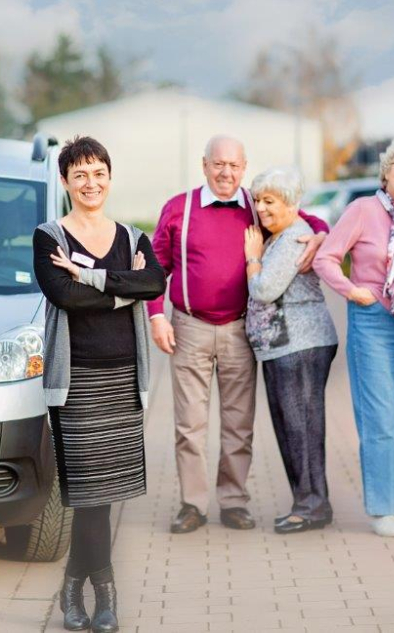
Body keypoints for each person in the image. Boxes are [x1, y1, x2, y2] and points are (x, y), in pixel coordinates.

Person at [149, 135, 329, 534]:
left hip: (240, 329)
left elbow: (301, 218)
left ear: (244, 167)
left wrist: (320, 232)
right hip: (189, 327)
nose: (226, 172)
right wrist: (156, 317)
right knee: (189, 424)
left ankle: (233, 501)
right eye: (218, 164)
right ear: (205, 165)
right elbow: (155, 267)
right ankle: (192, 505)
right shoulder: (179, 209)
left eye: (234, 165)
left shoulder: (255, 205)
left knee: (238, 423)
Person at [33, 136, 165, 632]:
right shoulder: (49, 237)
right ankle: (103, 592)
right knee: (88, 494)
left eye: (99, 173)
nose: (91, 183)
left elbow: (154, 284)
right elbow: (63, 297)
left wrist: (92, 278)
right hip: (78, 380)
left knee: (105, 494)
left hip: (125, 378)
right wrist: (119, 287)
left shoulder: (132, 238)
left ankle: (74, 587)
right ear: (65, 181)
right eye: (80, 175)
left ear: (110, 177)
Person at [313, 134, 394, 537]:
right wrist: (352, 291)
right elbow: (326, 258)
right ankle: (380, 506)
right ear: (387, 171)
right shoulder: (362, 209)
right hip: (373, 321)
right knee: (380, 417)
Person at [243, 167, 339, 534]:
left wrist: (252, 257)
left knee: (301, 427)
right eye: (259, 201)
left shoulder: (295, 237)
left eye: (271, 201)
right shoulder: (282, 236)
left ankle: (312, 506)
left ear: (292, 204)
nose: (262, 209)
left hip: (299, 346)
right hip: (283, 348)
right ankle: (308, 502)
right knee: (293, 426)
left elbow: (265, 289)